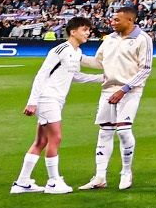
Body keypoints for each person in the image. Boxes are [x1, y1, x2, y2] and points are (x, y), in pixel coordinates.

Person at [14, 16, 96, 194]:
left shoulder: (76, 52)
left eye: (89, 29)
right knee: (55, 138)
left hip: (56, 99)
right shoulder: (60, 50)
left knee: (41, 141)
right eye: (85, 29)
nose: (88, 32)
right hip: (48, 98)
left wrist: (103, 78)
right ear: (73, 32)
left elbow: (76, 76)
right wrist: (32, 101)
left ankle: (22, 182)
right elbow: (41, 75)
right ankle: (53, 182)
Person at [84, 4, 153, 191]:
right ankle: (100, 176)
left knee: (123, 131)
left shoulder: (143, 38)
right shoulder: (110, 39)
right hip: (108, 90)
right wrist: (76, 56)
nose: (112, 22)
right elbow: (98, 62)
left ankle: (126, 172)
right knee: (104, 132)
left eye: (117, 20)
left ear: (130, 20)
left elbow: (145, 69)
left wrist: (124, 89)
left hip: (130, 91)